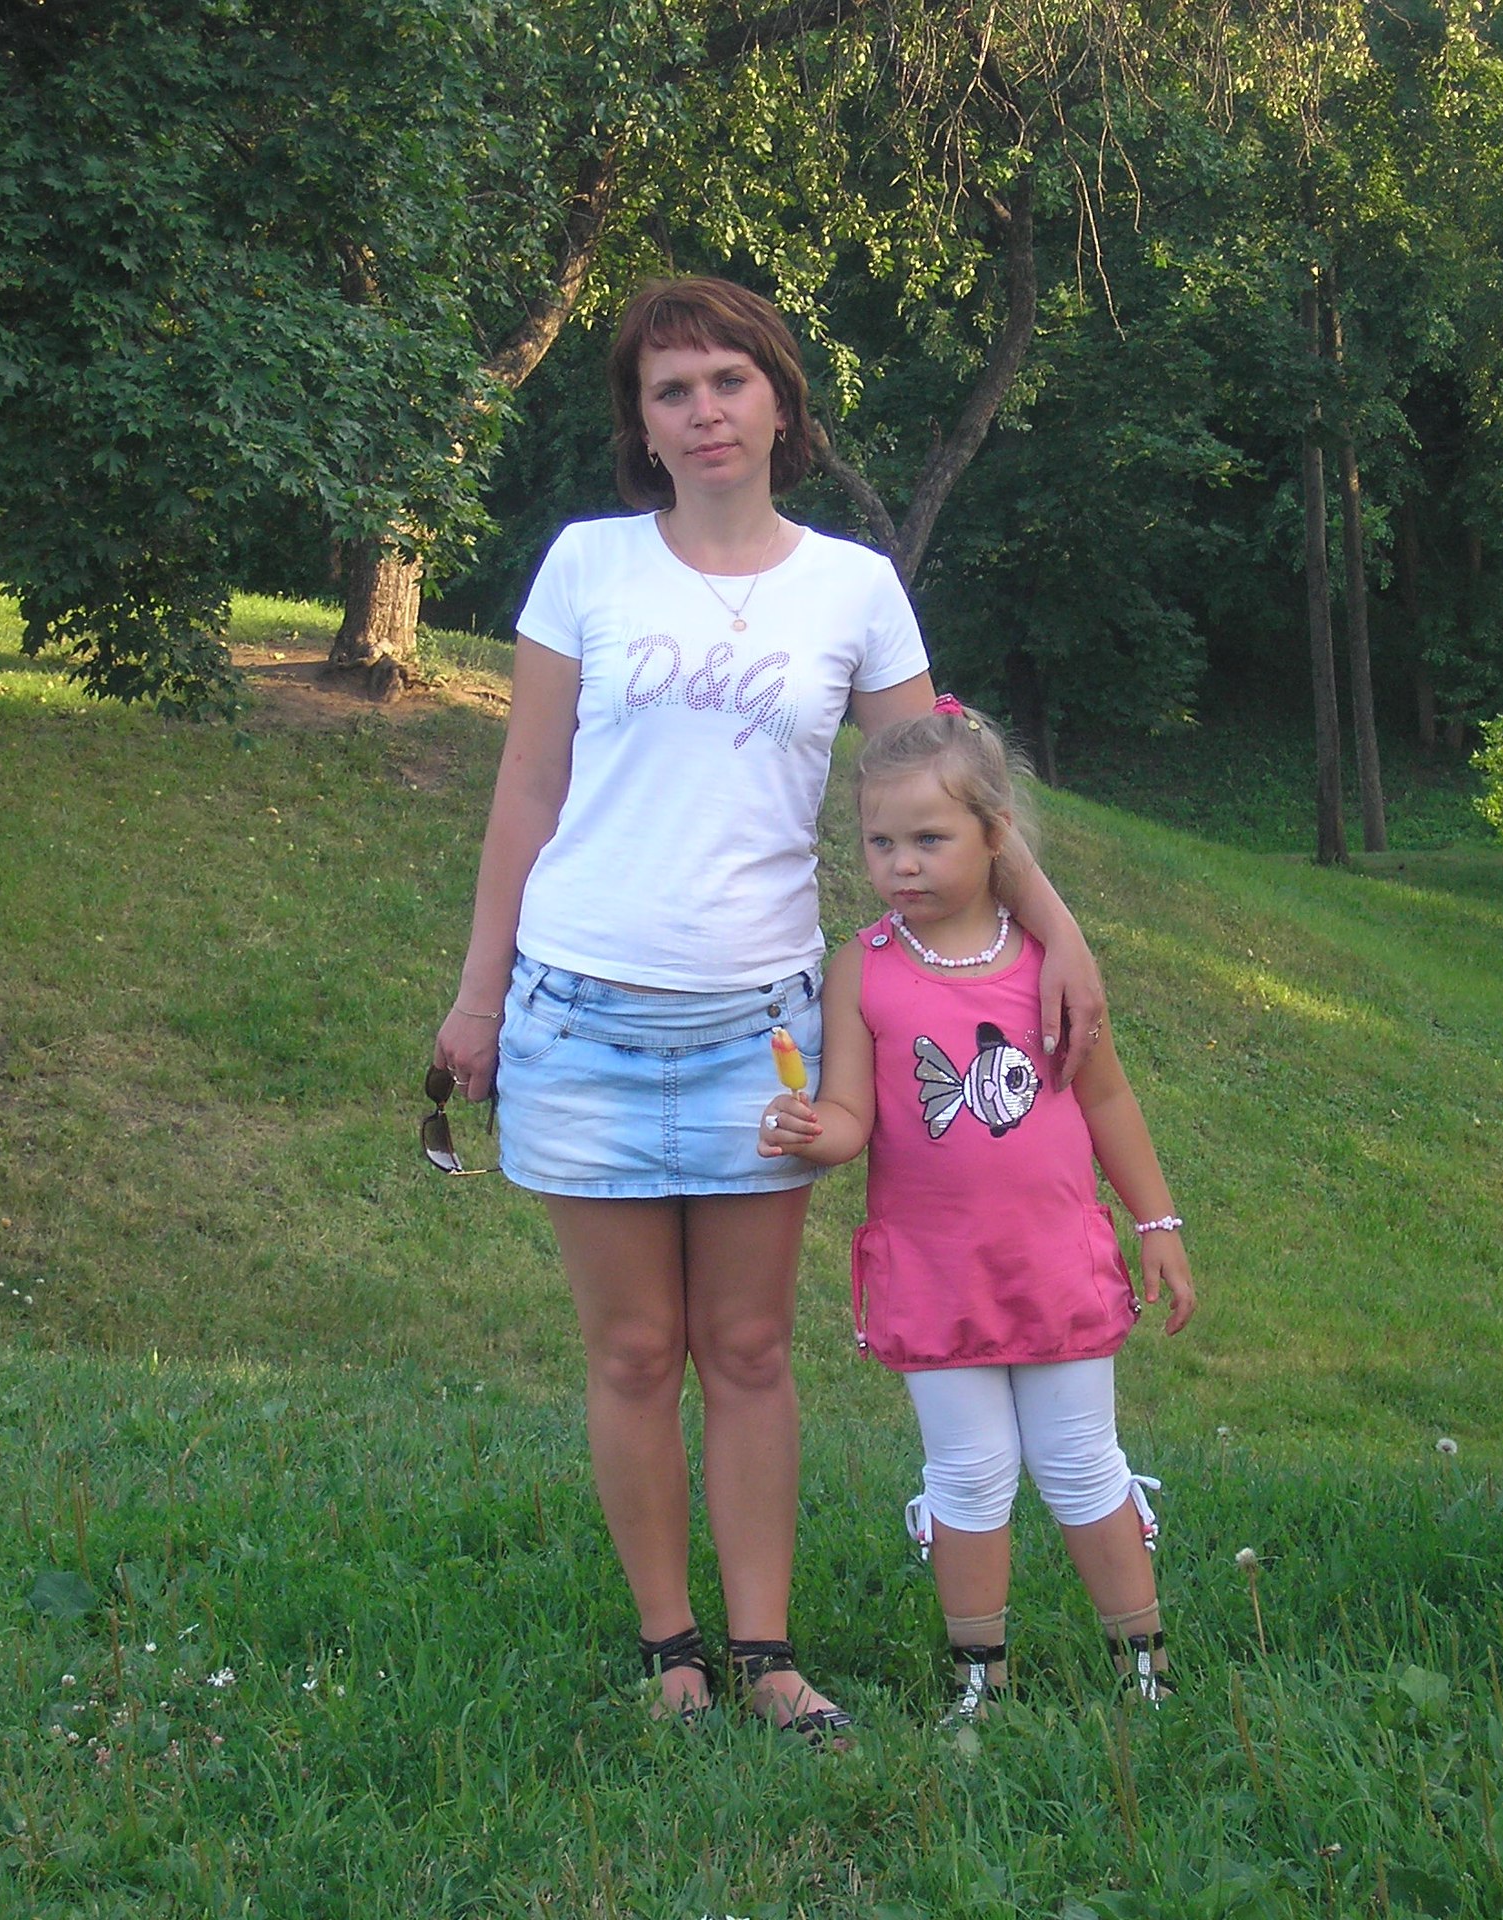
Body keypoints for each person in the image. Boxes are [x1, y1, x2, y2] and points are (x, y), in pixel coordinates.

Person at [431, 277, 1108, 1737]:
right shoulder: (588, 565)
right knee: (631, 1354)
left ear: (781, 401)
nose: (704, 411)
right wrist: (478, 1000)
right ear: (642, 425)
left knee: (746, 1352)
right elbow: (528, 790)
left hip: (765, 1037)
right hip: (581, 1017)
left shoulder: (851, 588)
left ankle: (764, 1658)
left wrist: (1058, 935)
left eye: (728, 380)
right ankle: (670, 1652)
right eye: (670, 390)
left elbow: (950, 788)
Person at [757, 701, 1194, 1727]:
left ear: (995, 835)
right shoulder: (863, 967)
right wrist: (811, 1130)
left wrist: (1158, 1225)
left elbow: (1106, 1101)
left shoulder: (1050, 963)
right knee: (968, 1471)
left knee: (1081, 1463)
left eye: (929, 838)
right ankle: (978, 1684)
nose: (901, 864)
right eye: (880, 842)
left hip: (1054, 1263)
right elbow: (853, 1117)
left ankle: (1146, 1672)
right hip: (935, 1272)